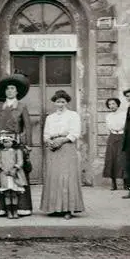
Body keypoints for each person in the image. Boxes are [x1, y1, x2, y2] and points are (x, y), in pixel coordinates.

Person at [0, 72, 32, 216]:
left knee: (18, 172)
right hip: (2, 143)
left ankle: (22, 208)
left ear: (17, 91)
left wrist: (27, 144)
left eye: (12, 89)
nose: (10, 91)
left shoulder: (21, 106)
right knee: (2, 172)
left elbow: (27, 126)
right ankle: (0, 208)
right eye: (7, 89)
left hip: (17, 143)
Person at [40, 90, 84, 220]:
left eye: (63, 102)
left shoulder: (73, 115)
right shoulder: (50, 117)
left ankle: (68, 209)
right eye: (58, 101)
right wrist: (49, 141)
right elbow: (46, 134)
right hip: (53, 148)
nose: (60, 104)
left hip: (66, 146)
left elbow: (75, 133)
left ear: (67, 102)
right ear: (54, 102)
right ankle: (54, 208)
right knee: (53, 177)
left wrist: (62, 140)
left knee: (67, 178)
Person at [0, 132, 27, 219]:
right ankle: (9, 211)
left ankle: (15, 211)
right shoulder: (0, 152)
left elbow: (20, 161)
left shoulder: (17, 151)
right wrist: (2, 170)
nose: (7, 143)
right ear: (2, 143)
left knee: (14, 193)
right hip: (4, 174)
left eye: (9, 141)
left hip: (14, 174)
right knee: (7, 193)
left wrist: (15, 169)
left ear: (13, 142)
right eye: (5, 142)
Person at [102, 97, 127, 191]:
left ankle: (126, 183)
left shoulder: (124, 114)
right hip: (112, 137)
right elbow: (108, 128)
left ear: (117, 104)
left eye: (113, 104)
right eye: (110, 105)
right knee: (111, 159)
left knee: (122, 158)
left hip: (122, 136)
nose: (111, 106)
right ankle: (113, 183)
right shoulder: (108, 116)